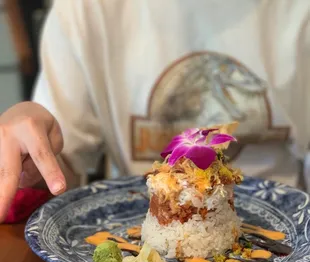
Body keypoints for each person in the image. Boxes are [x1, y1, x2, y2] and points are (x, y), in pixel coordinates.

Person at [0, 0, 309, 223]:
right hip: (136, 231)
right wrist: (29, 157)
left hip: (278, 239)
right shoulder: (84, 11)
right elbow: (59, 169)